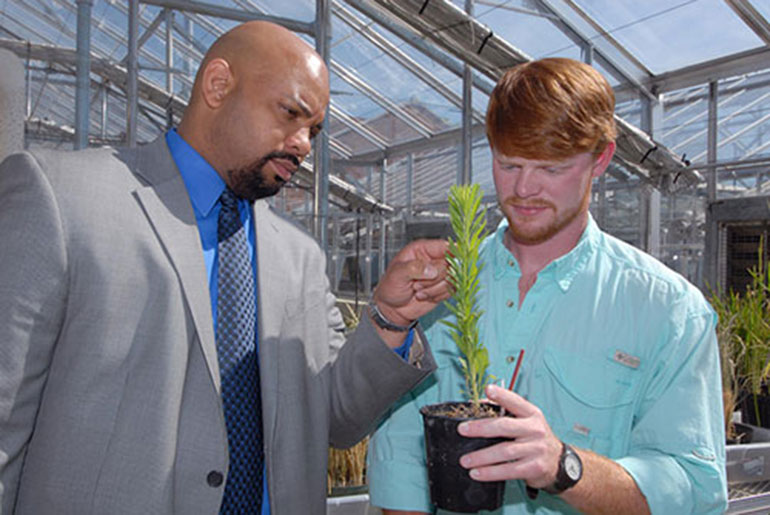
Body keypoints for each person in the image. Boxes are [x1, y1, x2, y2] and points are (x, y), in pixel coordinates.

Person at [0, 21, 450, 515]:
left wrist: (389, 320)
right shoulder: (61, 198)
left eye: (314, 131)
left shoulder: (300, 258)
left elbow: (335, 418)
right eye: (290, 113)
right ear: (218, 85)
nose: (303, 143)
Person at [368, 57, 727, 514]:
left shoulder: (669, 309)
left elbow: (692, 488)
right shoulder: (442, 286)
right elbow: (398, 448)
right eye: (509, 164)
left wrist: (565, 466)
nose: (524, 189)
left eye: (551, 169)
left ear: (601, 158)